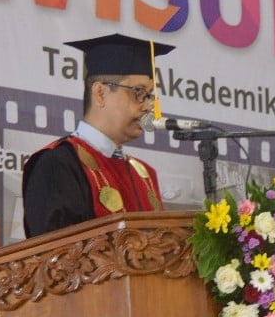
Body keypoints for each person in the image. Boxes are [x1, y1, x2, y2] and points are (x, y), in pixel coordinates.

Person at [22, 33, 174, 237]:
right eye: (138, 92)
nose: (147, 106)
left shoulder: (145, 175)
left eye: (149, 96)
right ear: (100, 93)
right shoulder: (57, 163)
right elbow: (54, 251)